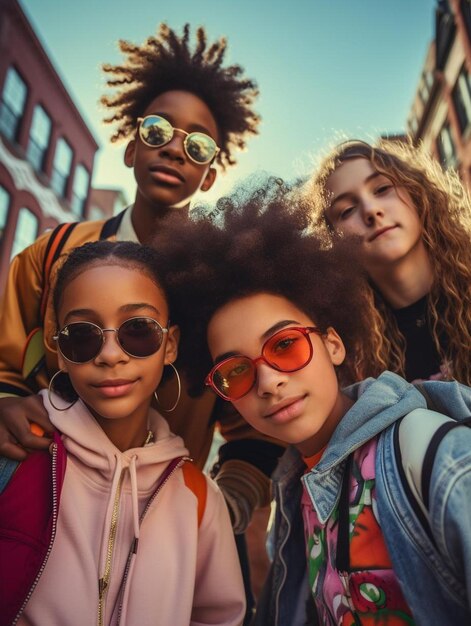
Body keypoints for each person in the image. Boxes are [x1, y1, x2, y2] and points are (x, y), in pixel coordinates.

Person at [0, 25, 280, 616]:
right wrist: (4, 405)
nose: (175, 148)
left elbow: (254, 425)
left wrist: (216, 509)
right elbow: (5, 361)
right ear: (130, 148)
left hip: (159, 530)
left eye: (199, 146)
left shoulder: (220, 293)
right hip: (42, 516)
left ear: (209, 174)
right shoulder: (48, 259)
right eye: (157, 130)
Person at [148, 180, 471, 625]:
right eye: (235, 372)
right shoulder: (291, 495)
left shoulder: (433, 452)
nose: (268, 381)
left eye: (284, 346)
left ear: (333, 345)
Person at [0, 240, 245, 626]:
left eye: (138, 330)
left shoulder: (198, 498)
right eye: (82, 335)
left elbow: (218, 617)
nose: (111, 354)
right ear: (60, 351)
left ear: (170, 345)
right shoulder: (13, 452)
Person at [305, 138, 471, 385]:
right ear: (333, 242)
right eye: (347, 210)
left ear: (416, 194)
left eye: (382, 189)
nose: (371, 211)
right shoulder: (348, 354)